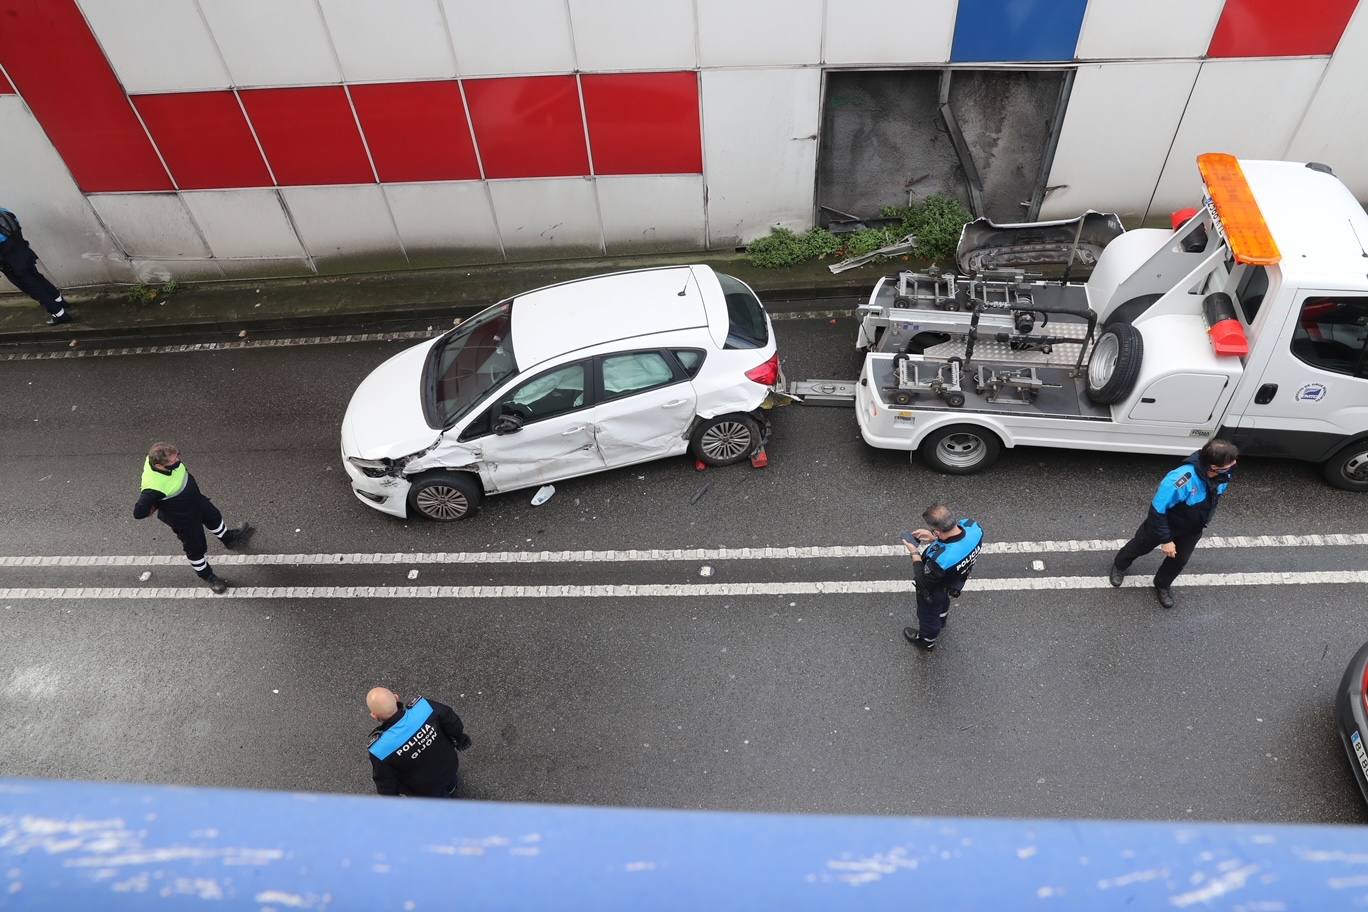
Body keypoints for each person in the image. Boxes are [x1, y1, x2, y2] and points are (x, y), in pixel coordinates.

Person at [1109, 438, 1238, 609]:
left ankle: (1162, 584)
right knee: (1140, 546)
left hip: (1191, 528)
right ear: (1213, 467)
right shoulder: (1180, 479)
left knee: (1180, 559)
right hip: (1163, 525)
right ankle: (1120, 564)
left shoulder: (1224, 474)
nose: (1233, 466)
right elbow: (1157, 511)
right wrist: (1166, 540)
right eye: (1230, 464)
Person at [132, 442, 253, 593]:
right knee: (195, 548)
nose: (178, 461)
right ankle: (208, 576)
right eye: (174, 461)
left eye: (178, 456)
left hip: (196, 502)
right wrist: (155, 505)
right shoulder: (153, 487)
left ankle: (229, 539)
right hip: (183, 519)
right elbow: (139, 512)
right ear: (159, 465)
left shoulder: (156, 460)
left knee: (214, 518)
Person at [901, 504, 985, 652]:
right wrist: (934, 537)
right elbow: (957, 541)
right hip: (955, 580)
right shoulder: (974, 527)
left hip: (935, 589)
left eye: (934, 531)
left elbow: (923, 581)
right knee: (944, 602)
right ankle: (942, 619)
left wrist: (914, 552)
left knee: (928, 616)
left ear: (939, 530)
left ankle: (927, 641)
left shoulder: (940, 560)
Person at [366, 687, 471, 798]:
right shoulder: (424, 708)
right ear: (396, 697)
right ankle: (452, 788)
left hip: (424, 788)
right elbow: (450, 719)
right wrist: (460, 739)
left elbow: (385, 783)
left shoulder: (380, 749)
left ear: (374, 715)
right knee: (450, 782)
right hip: (449, 765)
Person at [0, 207, 72, 325]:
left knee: (33, 289)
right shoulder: (4, 211)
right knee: (38, 278)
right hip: (24, 253)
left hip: (11, 264)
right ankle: (61, 302)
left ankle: (59, 314)